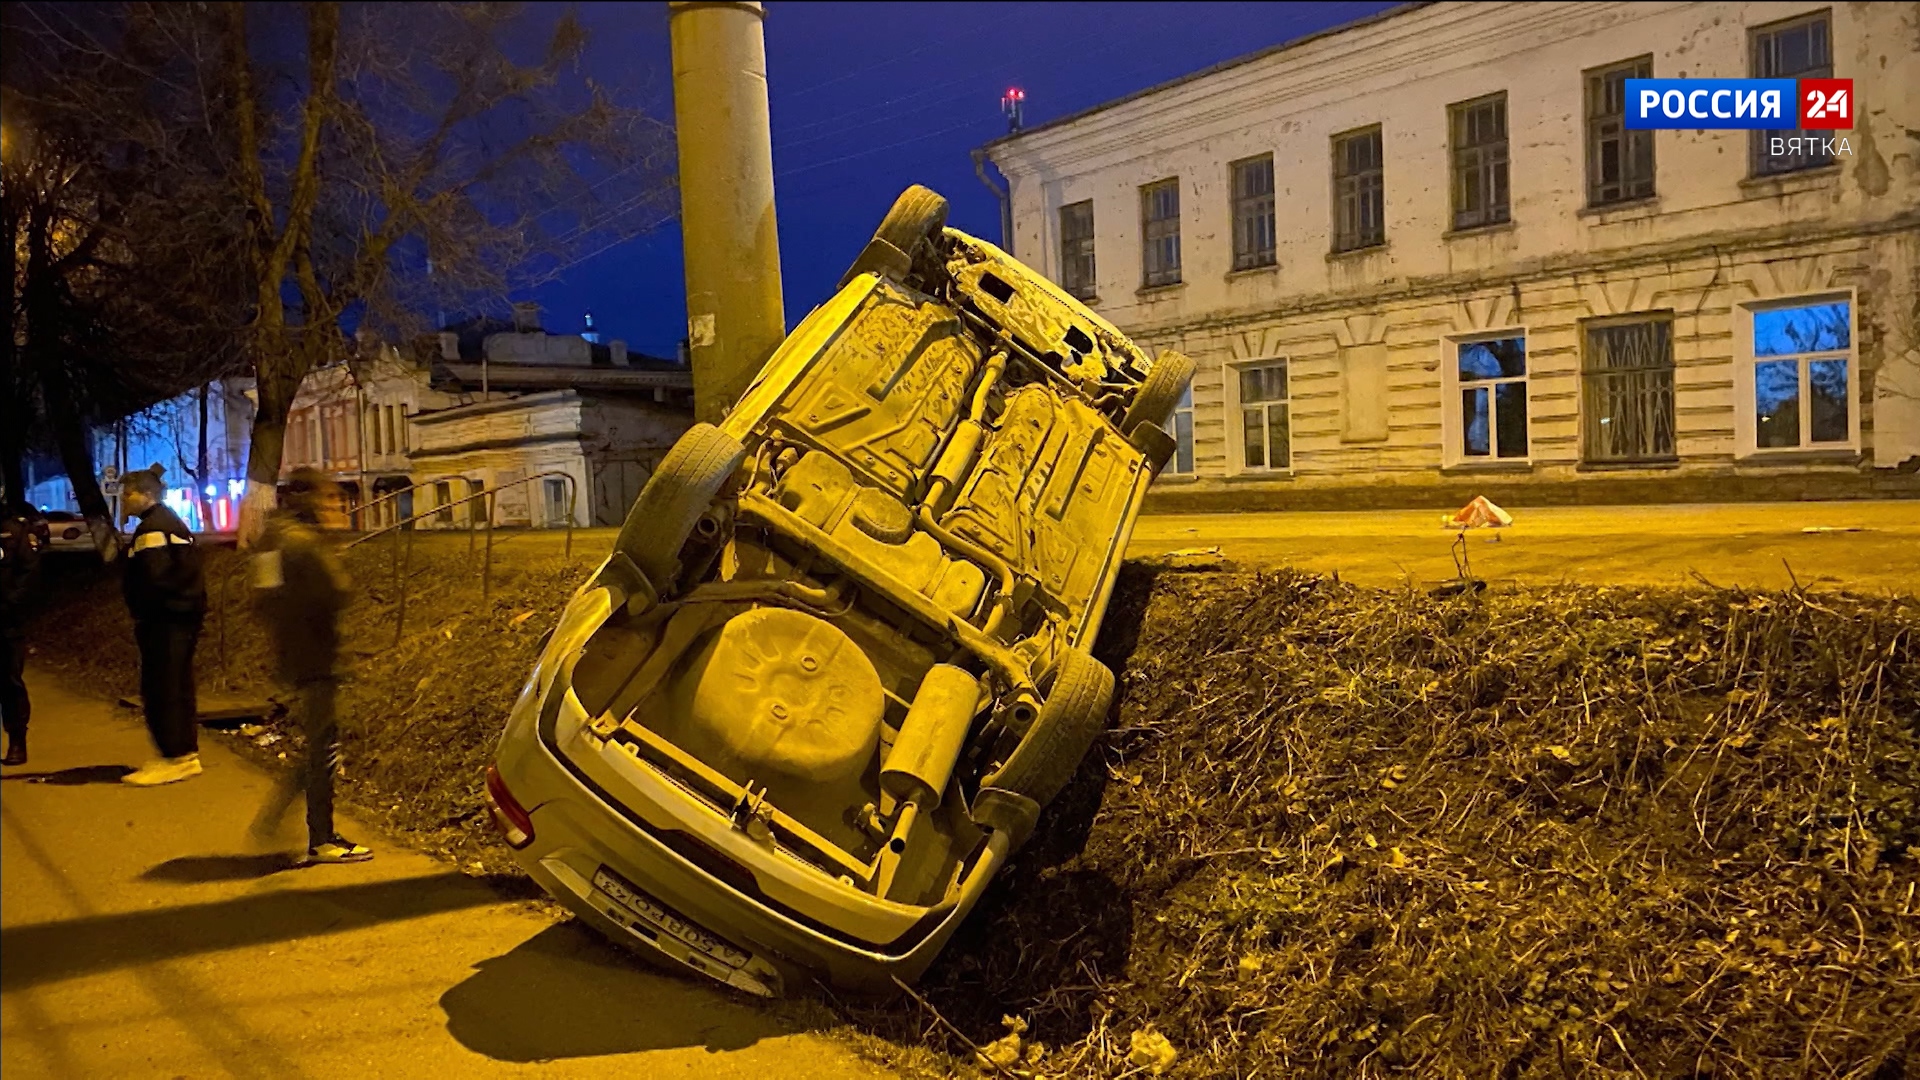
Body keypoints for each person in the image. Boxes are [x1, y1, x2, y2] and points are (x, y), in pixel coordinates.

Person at [249, 468, 371, 863]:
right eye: (328, 498)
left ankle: (281, 820)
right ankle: (322, 837)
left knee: (319, 743)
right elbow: (338, 593)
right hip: (317, 656)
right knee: (323, 748)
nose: (333, 505)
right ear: (309, 499)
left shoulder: (271, 540)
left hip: (293, 653)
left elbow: (263, 601)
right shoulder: (305, 544)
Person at [121, 468, 208, 785]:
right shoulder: (167, 522)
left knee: (163, 688)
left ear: (144, 494)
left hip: (164, 620)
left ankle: (174, 757)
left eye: (127, 493)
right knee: (178, 685)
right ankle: (184, 754)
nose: (123, 499)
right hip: (179, 616)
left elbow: (154, 579)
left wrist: (143, 611)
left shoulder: (152, 530)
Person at [1, 502, 44, 766]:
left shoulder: (13, 529)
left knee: (9, 682)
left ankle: (17, 740)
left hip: (5, 622)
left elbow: (30, 571)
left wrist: (9, 603)